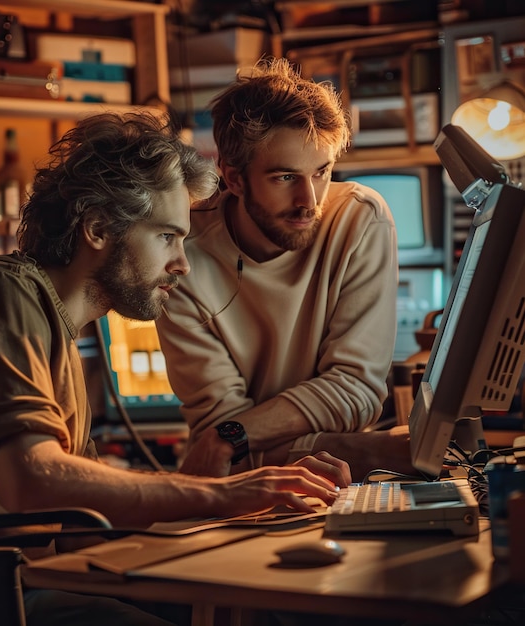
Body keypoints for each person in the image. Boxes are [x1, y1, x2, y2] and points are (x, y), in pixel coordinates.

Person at [0, 112, 352, 626]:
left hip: (15, 588)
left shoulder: (52, 329)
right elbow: (32, 479)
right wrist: (225, 494)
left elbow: (85, 525)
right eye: (166, 237)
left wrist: (252, 513)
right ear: (97, 228)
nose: (181, 263)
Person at [156, 57, 414, 482]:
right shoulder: (182, 254)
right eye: (284, 177)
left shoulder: (360, 219)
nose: (309, 200)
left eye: (322, 172)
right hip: (249, 489)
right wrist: (360, 449)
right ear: (234, 179)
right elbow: (219, 432)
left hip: (333, 478)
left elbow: (356, 390)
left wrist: (235, 437)